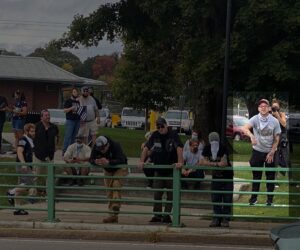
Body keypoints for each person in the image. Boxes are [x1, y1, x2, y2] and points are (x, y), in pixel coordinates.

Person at [138, 117, 183, 224]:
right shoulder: (155, 135)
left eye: (162, 126)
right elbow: (146, 148)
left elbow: (179, 148)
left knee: (171, 196)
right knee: (157, 194)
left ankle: (166, 215)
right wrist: (141, 161)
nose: (160, 128)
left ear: (166, 125)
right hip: (158, 170)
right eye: (158, 127)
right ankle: (157, 215)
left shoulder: (173, 135)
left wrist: (180, 162)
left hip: (171, 171)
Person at [243, 99, 281, 206]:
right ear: (258, 108)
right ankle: (253, 199)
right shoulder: (255, 119)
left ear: (269, 108)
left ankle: (269, 201)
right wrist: (251, 136)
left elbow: (277, 138)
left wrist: (272, 151)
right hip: (257, 151)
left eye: (265, 106)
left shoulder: (274, 121)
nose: (263, 108)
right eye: (261, 106)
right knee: (256, 176)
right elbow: (245, 128)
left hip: (271, 152)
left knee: (270, 177)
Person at [90, 135, 128, 223]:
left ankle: (115, 205)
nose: (102, 151)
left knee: (116, 184)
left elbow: (121, 159)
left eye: (103, 149)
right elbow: (91, 159)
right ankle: (113, 215)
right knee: (109, 191)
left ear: (107, 145)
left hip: (119, 167)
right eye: (100, 149)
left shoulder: (116, 145)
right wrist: (95, 161)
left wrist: (109, 162)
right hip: (107, 169)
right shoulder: (96, 147)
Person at [200, 132, 233, 227]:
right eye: (212, 140)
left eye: (215, 140)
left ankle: (225, 219)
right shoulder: (207, 148)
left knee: (227, 198)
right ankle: (216, 217)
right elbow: (202, 162)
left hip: (227, 176)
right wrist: (216, 164)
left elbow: (224, 163)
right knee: (215, 197)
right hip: (216, 176)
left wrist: (211, 163)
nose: (214, 142)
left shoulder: (223, 148)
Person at [7, 123, 36, 215]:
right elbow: (19, 151)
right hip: (22, 165)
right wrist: (24, 164)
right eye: (31, 131)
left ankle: (17, 208)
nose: (34, 133)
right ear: (26, 131)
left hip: (26, 165)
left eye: (34, 131)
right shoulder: (23, 139)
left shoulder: (29, 140)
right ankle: (11, 192)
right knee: (29, 183)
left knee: (22, 185)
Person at [33, 109, 59, 194]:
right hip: (38, 156)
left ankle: (49, 196)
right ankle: (32, 195)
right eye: (46, 115)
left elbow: (57, 137)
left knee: (50, 177)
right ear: (41, 117)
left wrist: (56, 146)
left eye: (48, 115)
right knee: (35, 176)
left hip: (50, 156)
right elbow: (31, 137)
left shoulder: (54, 127)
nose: (48, 117)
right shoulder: (36, 126)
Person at [270, 99, 289, 178]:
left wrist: (277, 115)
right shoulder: (270, 115)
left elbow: (284, 124)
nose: (275, 108)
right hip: (275, 139)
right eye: (273, 107)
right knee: (275, 160)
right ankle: (274, 180)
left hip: (283, 139)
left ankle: (290, 179)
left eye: (276, 107)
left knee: (286, 159)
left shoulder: (282, 114)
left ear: (279, 107)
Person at [62, 88, 80, 155]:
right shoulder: (68, 101)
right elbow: (64, 110)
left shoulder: (79, 102)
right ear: (72, 93)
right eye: (74, 92)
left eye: (76, 92)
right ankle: (64, 151)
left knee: (74, 137)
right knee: (68, 136)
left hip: (77, 121)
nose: (75, 93)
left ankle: (71, 151)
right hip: (70, 121)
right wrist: (71, 108)